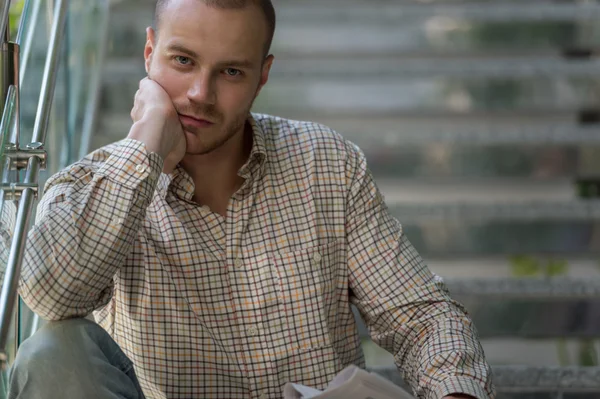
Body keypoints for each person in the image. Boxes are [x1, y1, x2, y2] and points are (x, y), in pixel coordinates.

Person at [10, 0, 495, 398]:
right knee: (52, 350)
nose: (200, 93)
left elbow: (420, 315)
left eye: (231, 72)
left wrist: (455, 393)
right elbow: (52, 297)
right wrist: (145, 147)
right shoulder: (93, 186)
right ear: (149, 52)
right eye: (183, 61)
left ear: (262, 76)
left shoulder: (327, 163)